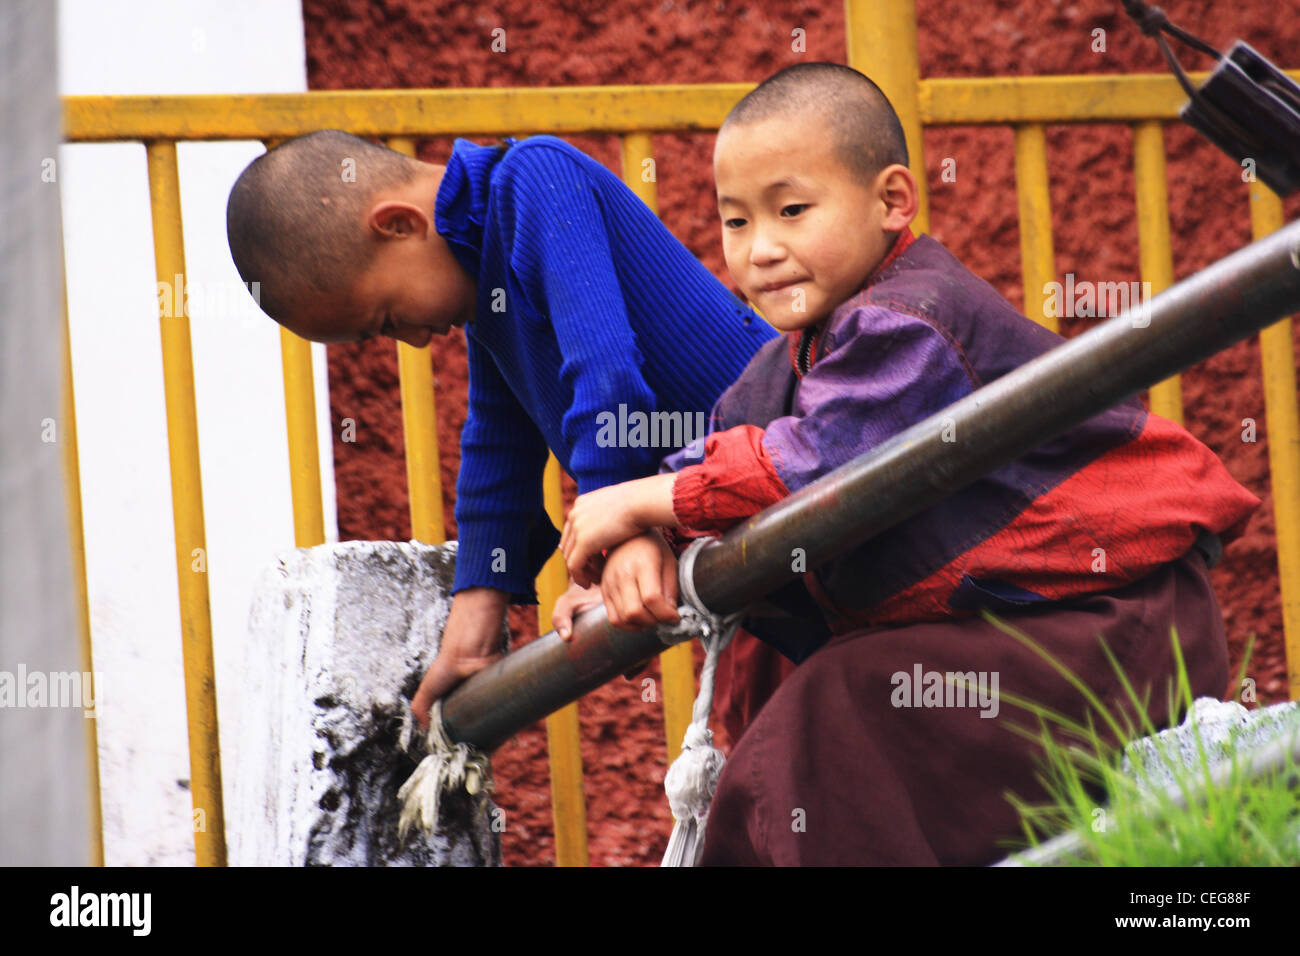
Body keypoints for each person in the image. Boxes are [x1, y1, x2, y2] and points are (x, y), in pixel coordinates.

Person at [559, 62, 1261, 864]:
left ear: (893, 201)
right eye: (735, 223)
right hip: (999, 642)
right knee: (793, 682)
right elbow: (717, 462)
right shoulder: (774, 374)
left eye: (791, 210)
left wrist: (649, 500)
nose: (761, 250)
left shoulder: (915, 320)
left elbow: (818, 462)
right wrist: (640, 545)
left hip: (1110, 629)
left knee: (833, 708)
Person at [225, 130, 776, 729]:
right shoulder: (485, 274)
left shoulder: (537, 180)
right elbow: (498, 440)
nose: (409, 339)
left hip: (792, 476)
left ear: (400, 226)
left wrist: (618, 530)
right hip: (746, 554)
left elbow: (607, 374)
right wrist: (476, 609)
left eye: (385, 320)